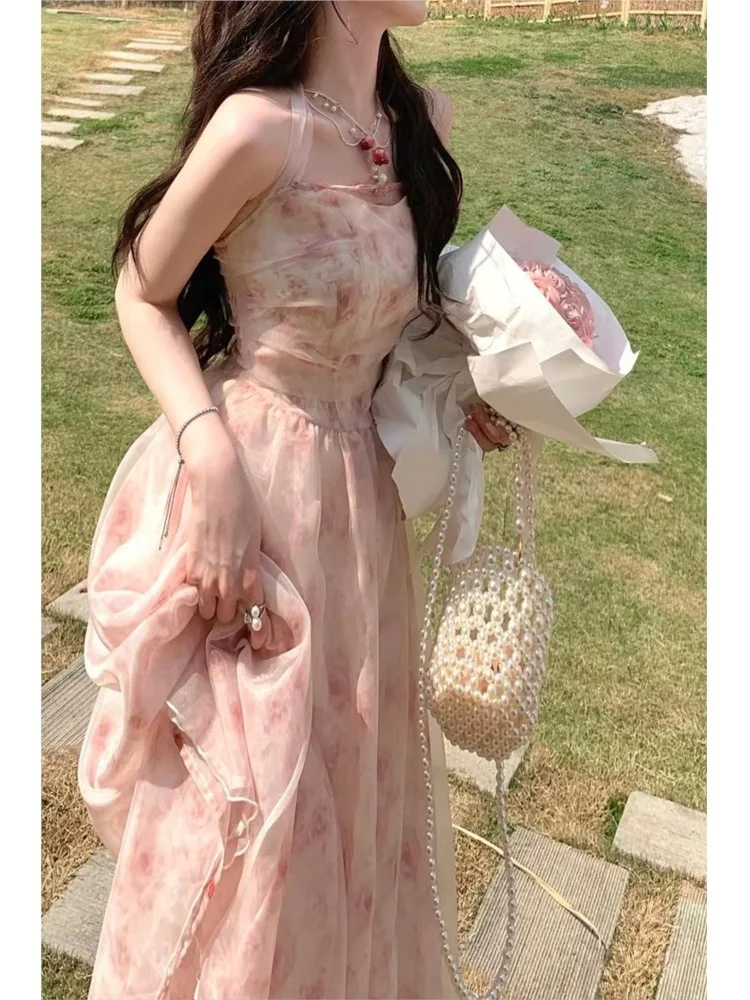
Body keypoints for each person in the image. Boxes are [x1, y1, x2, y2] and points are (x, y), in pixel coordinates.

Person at [78, 2, 512, 997]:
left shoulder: (418, 124)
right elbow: (142, 292)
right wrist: (208, 454)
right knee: (251, 812)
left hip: (363, 512)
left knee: (354, 790)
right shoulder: (257, 130)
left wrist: (470, 390)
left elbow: (391, 326)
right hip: (257, 502)